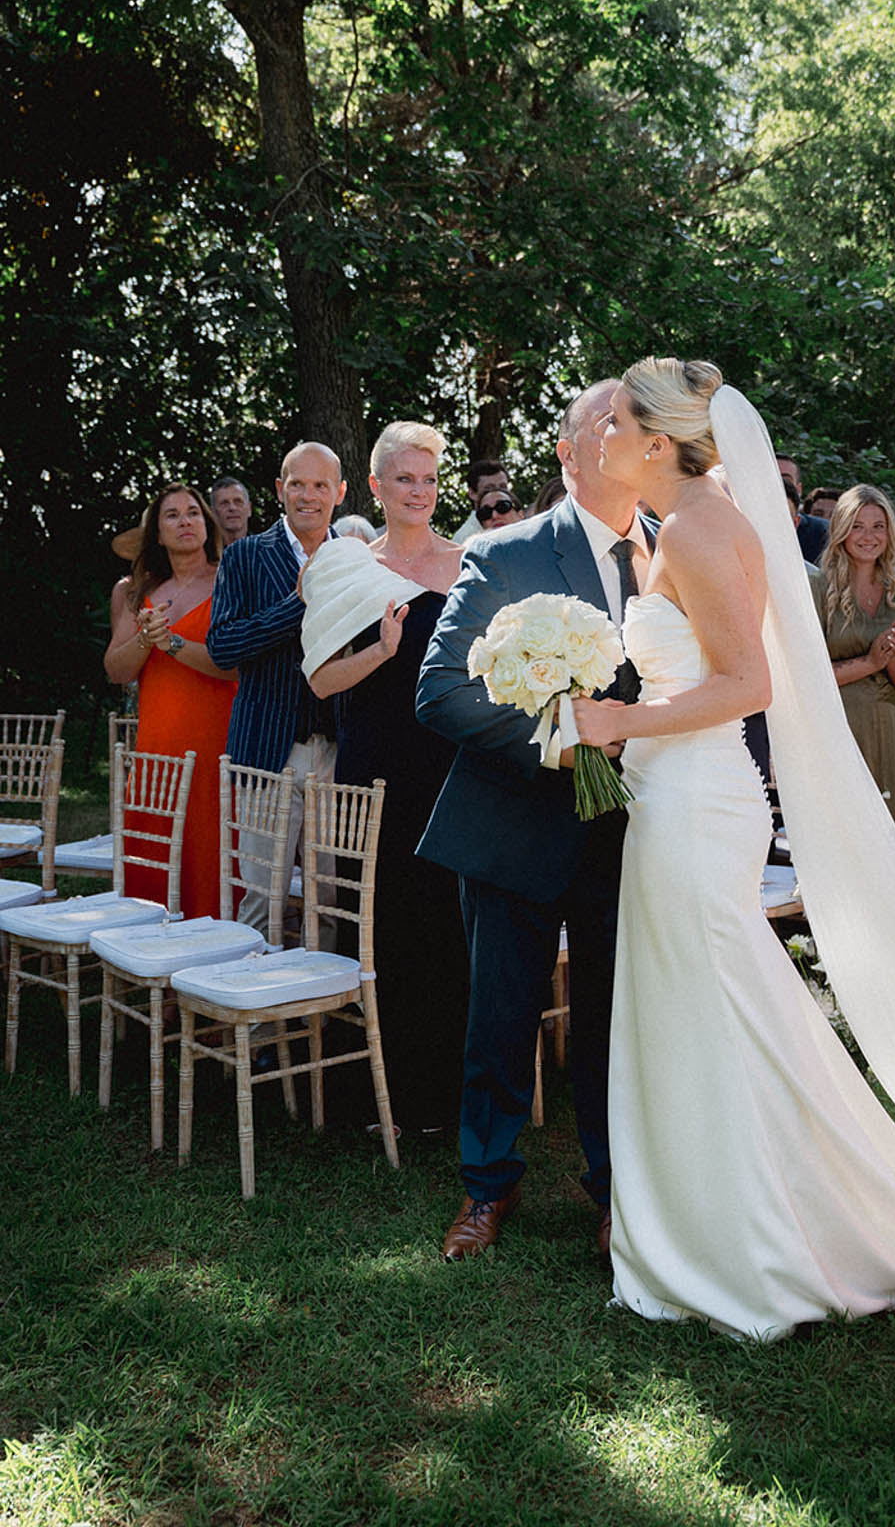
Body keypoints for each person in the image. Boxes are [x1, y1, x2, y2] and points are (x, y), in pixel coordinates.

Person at [573, 360, 895, 1341]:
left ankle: (757, 1234)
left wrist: (616, 715)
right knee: (698, 1004)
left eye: (611, 425)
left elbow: (743, 683)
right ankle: (699, 1217)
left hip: (698, 799)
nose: (597, 438)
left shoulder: (699, 526)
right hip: (664, 794)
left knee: (726, 1003)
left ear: (655, 439)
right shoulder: (671, 526)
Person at [415, 382, 650, 1264]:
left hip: (631, 831)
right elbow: (439, 692)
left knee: (614, 1017)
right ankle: (486, 1185)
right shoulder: (506, 552)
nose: (627, 434)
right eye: (607, 422)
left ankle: (614, 1189)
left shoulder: (672, 550)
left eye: (637, 423)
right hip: (514, 821)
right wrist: (554, 745)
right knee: (501, 1015)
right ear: (566, 451)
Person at [303, 422, 467, 1134]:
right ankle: (385, 1099)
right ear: (374, 486)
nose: (420, 492)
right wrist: (384, 651)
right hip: (377, 769)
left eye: (429, 480)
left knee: (449, 923)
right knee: (388, 923)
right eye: (405, 479)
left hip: (452, 765)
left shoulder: (466, 564)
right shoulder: (347, 567)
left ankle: (453, 1096)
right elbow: (319, 680)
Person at [206, 440, 345, 933]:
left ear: (340, 492)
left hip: (338, 752)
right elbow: (222, 646)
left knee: (330, 897)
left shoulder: (354, 559)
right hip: (267, 749)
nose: (309, 495)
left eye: (320, 485)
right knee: (263, 895)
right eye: (298, 484)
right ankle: (258, 1009)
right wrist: (297, 604)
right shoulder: (245, 557)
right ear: (279, 490)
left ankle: (322, 1006)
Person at [104, 484, 238, 915]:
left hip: (218, 745)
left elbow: (235, 665)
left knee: (212, 856)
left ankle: (214, 967)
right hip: (158, 749)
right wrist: (146, 638)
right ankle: (145, 961)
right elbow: (116, 670)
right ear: (156, 535)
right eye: (172, 515)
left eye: (194, 513)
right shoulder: (132, 591)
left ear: (207, 524)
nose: (185, 521)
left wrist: (173, 644)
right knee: (153, 861)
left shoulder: (231, 580)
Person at [813, 486, 895, 858]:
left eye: (878, 526)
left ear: (890, 533)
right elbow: (807, 678)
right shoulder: (817, 588)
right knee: (847, 848)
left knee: (890, 852)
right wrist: (868, 662)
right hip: (838, 730)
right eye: (858, 526)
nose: (869, 537)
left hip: (888, 733)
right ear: (840, 530)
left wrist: (891, 656)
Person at [774, 452, 829, 563]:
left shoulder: (822, 532)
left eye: (785, 480)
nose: (776, 485)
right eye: (770, 478)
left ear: (799, 489)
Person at [209, 477, 253, 546]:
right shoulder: (202, 554)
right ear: (213, 512)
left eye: (238, 502)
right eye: (224, 503)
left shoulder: (266, 551)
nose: (232, 508)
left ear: (249, 509)